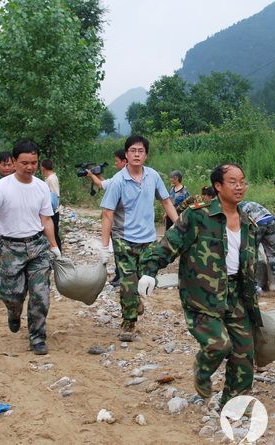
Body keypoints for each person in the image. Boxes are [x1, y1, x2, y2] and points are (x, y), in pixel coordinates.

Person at [138, 164, 261, 407]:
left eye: (242, 181)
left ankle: (234, 402)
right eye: (233, 182)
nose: (239, 187)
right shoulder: (197, 216)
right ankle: (202, 370)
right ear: (218, 186)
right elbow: (169, 244)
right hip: (203, 295)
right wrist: (150, 271)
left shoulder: (248, 223)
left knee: (244, 351)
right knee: (218, 345)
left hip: (236, 294)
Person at [0, 139, 61, 355]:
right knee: (12, 294)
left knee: (41, 295)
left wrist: (54, 246)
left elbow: (46, 219)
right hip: (10, 248)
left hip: (37, 246)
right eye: (24, 163)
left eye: (34, 162)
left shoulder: (41, 187)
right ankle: (13, 313)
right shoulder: (1, 187)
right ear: (13, 162)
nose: (30, 167)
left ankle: (37, 337)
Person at [100, 135, 178, 341]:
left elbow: (166, 202)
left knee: (148, 278)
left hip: (148, 240)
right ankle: (129, 323)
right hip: (123, 239)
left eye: (140, 151)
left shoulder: (153, 176)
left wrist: (180, 226)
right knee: (128, 283)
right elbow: (107, 213)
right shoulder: (118, 181)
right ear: (126, 154)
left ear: (146, 155)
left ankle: (135, 301)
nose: (136, 154)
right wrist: (104, 246)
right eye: (132, 151)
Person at [87, 149, 127, 286]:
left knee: (121, 251)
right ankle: (119, 274)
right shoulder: (120, 177)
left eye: (117, 161)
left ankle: (122, 276)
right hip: (119, 222)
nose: (115, 164)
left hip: (120, 223)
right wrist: (98, 176)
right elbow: (106, 184)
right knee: (119, 251)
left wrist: (91, 175)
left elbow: (100, 185)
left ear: (124, 161)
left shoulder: (122, 178)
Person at [239, 200, 275, 295]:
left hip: (257, 224)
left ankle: (254, 287)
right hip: (270, 221)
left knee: (251, 255)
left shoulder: (236, 208)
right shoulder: (250, 203)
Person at [41, 159, 61, 251]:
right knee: (53, 232)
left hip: (52, 211)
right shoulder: (51, 178)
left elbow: (54, 195)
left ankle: (58, 252)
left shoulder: (51, 179)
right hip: (52, 210)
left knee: (53, 233)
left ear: (43, 168)